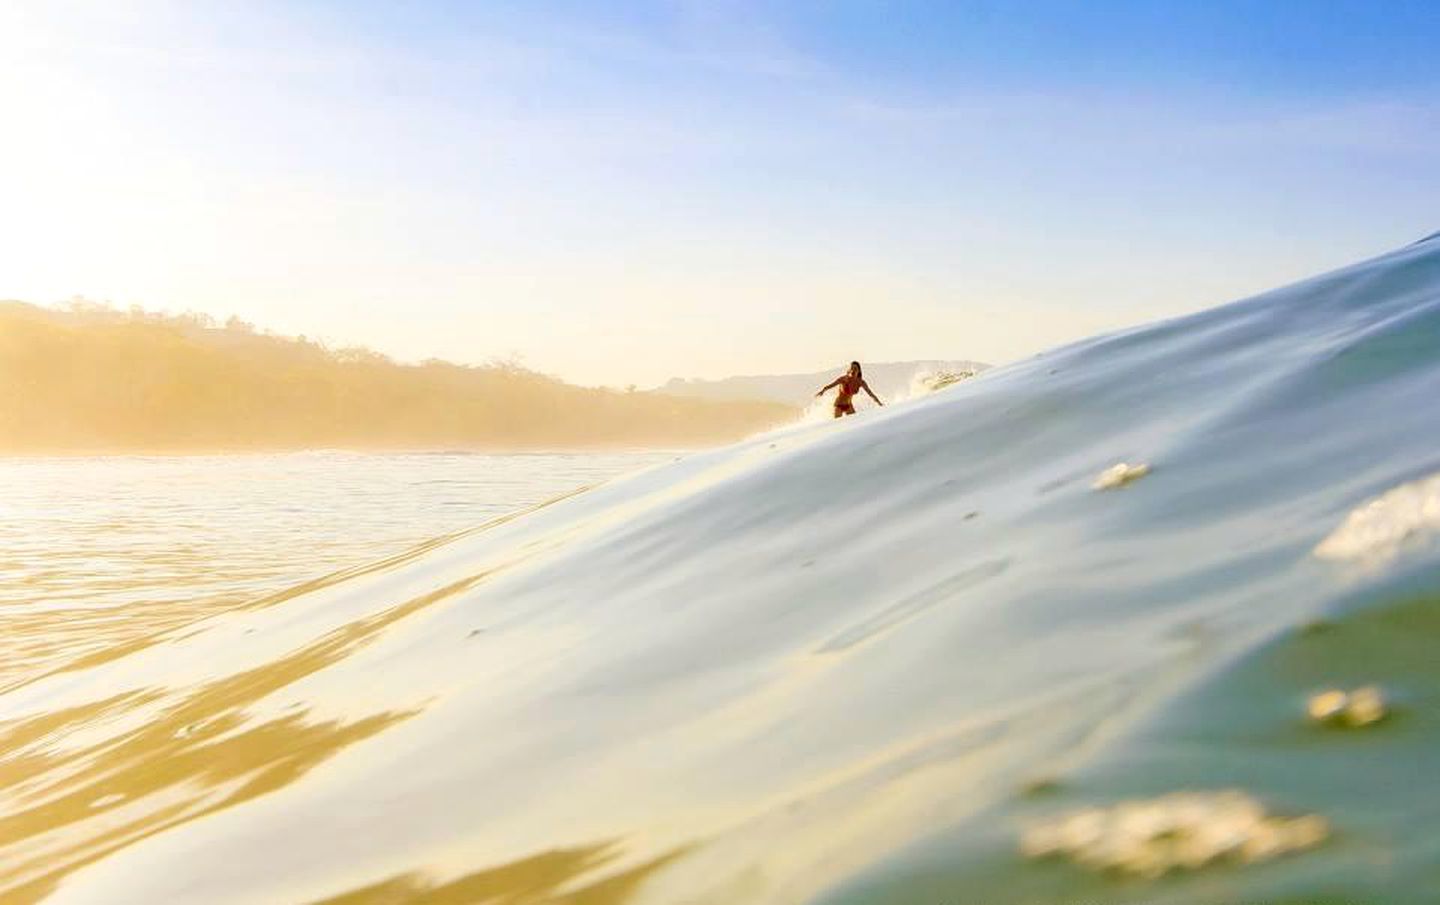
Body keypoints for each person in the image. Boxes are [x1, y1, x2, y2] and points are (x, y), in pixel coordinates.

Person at [816, 361, 883, 418]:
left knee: (855, 423)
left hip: (849, 406)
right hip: (838, 405)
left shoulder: (861, 382)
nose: (853, 370)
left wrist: (879, 403)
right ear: (849, 369)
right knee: (837, 425)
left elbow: (870, 394)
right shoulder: (844, 379)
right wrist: (822, 391)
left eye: (855, 368)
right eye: (852, 368)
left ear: (859, 371)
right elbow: (831, 385)